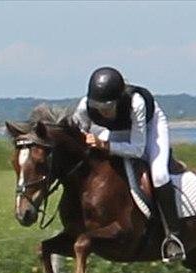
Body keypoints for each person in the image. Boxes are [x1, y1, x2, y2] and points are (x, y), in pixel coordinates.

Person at [71, 66, 185, 262]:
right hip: (117, 132)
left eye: (108, 108)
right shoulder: (85, 106)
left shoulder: (136, 103)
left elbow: (137, 150)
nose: (102, 112)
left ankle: (173, 236)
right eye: (98, 107)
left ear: (119, 99)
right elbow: (75, 132)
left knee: (159, 175)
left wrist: (103, 144)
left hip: (150, 129)